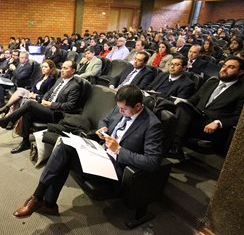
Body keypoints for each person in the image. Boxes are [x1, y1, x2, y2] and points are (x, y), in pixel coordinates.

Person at [11, 85, 163, 218]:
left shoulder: (152, 125)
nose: (120, 111)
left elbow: (152, 162)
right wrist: (103, 127)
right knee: (64, 148)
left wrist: (119, 150)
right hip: (101, 152)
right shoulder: (120, 107)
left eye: (124, 109)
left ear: (137, 106)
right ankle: (44, 202)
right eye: (119, 107)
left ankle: (39, 200)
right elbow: (105, 120)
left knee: (63, 156)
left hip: (116, 168)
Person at [0, 60, 81, 153]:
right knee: (28, 112)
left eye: (65, 68)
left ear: (73, 71)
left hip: (57, 114)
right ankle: (25, 141)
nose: (62, 70)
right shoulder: (60, 80)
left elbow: (70, 106)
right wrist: (44, 100)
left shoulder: (74, 86)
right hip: (47, 107)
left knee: (29, 103)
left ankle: (5, 120)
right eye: (62, 67)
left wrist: (50, 104)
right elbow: (49, 93)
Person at [168, 56, 244, 159]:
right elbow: (193, 100)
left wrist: (219, 123)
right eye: (224, 66)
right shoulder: (212, 82)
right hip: (196, 118)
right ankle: (174, 145)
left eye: (231, 67)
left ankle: (174, 145)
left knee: (176, 119)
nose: (224, 69)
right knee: (177, 108)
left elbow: (241, 117)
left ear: (240, 72)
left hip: (212, 126)